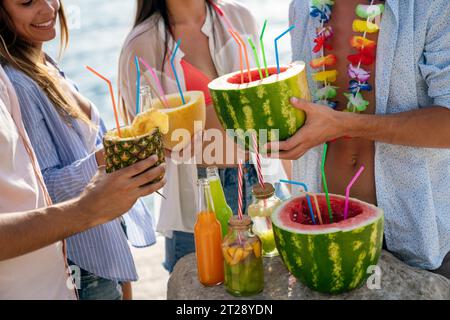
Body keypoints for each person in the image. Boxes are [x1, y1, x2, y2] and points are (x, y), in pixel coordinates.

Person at [266, 0, 450, 278]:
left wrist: (345, 124)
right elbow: (304, 106)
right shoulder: (302, 7)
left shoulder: (433, 5)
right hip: (320, 227)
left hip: (415, 235)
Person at [0, 0, 161, 299]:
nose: (49, 8)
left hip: (100, 247)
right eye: (26, 2)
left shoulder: (43, 62)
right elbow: (42, 190)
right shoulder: (18, 84)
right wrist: (105, 159)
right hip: (80, 266)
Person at [118, 0, 290, 273]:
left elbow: (269, 110)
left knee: (273, 285)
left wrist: (292, 187)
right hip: (198, 195)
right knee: (199, 292)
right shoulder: (141, 45)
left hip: (259, 182)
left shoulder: (240, 18)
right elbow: (141, 135)